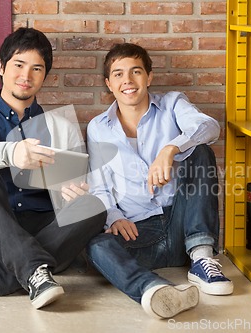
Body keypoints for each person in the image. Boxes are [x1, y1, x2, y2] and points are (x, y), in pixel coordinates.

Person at [0, 27, 106, 309]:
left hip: (43, 231)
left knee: (93, 207)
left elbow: (74, 185)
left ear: (45, 75)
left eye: (36, 69)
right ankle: (33, 268)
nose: (26, 76)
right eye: (19, 65)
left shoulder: (61, 125)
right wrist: (11, 152)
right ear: (2, 67)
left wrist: (72, 192)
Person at [86, 43, 233, 319]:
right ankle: (155, 289)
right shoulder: (98, 128)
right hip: (140, 233)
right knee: (95, 246)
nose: (127, 81)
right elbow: (99, 183)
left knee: (200, 150)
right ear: (108, 83)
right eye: (118, 74)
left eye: (136, 72)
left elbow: (210, 127)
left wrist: (171, 149)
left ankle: (202, 258)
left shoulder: (173, 104)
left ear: (149, 77)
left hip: (183, 225)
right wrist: (114, 217)